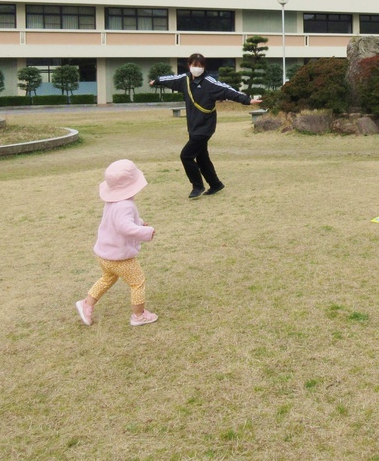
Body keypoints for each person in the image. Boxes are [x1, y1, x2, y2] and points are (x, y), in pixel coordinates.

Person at [151, 54, 261, 199]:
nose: (197, 68)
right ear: (189, 65)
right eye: (194, 65)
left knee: (186, 156)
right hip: (193, 126)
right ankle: (215, 184)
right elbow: (170, 79)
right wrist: (157, 81)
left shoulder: (211, 83)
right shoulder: (184, 80)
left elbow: (229, 91)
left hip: (205, 127)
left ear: (204, 67)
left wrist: (247, 100)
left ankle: (197, 186)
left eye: (200, 65)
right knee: (202, 157)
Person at [76, 159, 158, 327]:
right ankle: (139, 315)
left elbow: (117, 223)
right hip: (120, 258)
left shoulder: (112, 203)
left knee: (108, 278)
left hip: (105, 255)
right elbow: (125, 227)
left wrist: (139, 223)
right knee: (137, 282)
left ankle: (87, 303)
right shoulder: (126, 205)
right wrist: (146, 232)